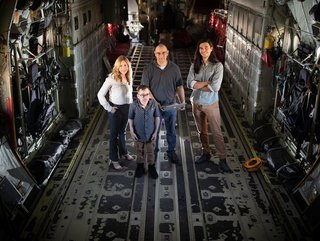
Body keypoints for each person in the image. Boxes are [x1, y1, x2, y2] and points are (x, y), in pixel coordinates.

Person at [187, 39, 232, 173]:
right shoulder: (194, 64)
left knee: (217, 132)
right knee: (202, 131)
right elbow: (190, 84)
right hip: (196, 102)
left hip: (211, 105)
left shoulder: (218, 66)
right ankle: (206, 153)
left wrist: (198, 84)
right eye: (201, 48)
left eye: (206, 47)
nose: (203, 50)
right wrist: (207, 83)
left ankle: (222, 160)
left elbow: (216, 87)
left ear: (211, 48)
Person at [141, 42, 185, 163]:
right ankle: (154, 153)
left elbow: (179, 86)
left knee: (171, 130)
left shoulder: (174, 68)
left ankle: (171, 152)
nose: (161, 55)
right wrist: (155, 102)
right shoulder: (148, 68)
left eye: (163, 53)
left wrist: (182, 101)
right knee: (154, 131)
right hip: (154, 107)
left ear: (167, 53)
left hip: (170, 106)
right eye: (158, 53)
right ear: (154, 54)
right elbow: (145, 89)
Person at [97, 55, 134, 170]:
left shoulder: (128, 77)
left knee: (122, 132)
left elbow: (130, 94)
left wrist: (131, 106)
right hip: (116, 109)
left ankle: (124, 153)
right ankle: (114, 160)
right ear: (117, 67)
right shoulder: (111, 78)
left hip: (126, 108)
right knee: (114, 136)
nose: (123, 68)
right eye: (121, 65)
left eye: (125, 65)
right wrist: (109, 108)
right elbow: (100, 95)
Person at [128, 85, 161, 179]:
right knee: (139, 151)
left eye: (146, 94)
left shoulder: (153, 103)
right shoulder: (133, 105)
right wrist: (132, 131)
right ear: (137, 95)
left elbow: (157, 117)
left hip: (151, 134)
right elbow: (130, 118)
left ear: (149, 95)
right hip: (138, 134)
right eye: (141, 95)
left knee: (151, 151)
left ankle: (151, 167)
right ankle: (140, 166)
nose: (144, 97)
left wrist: (155, 132)